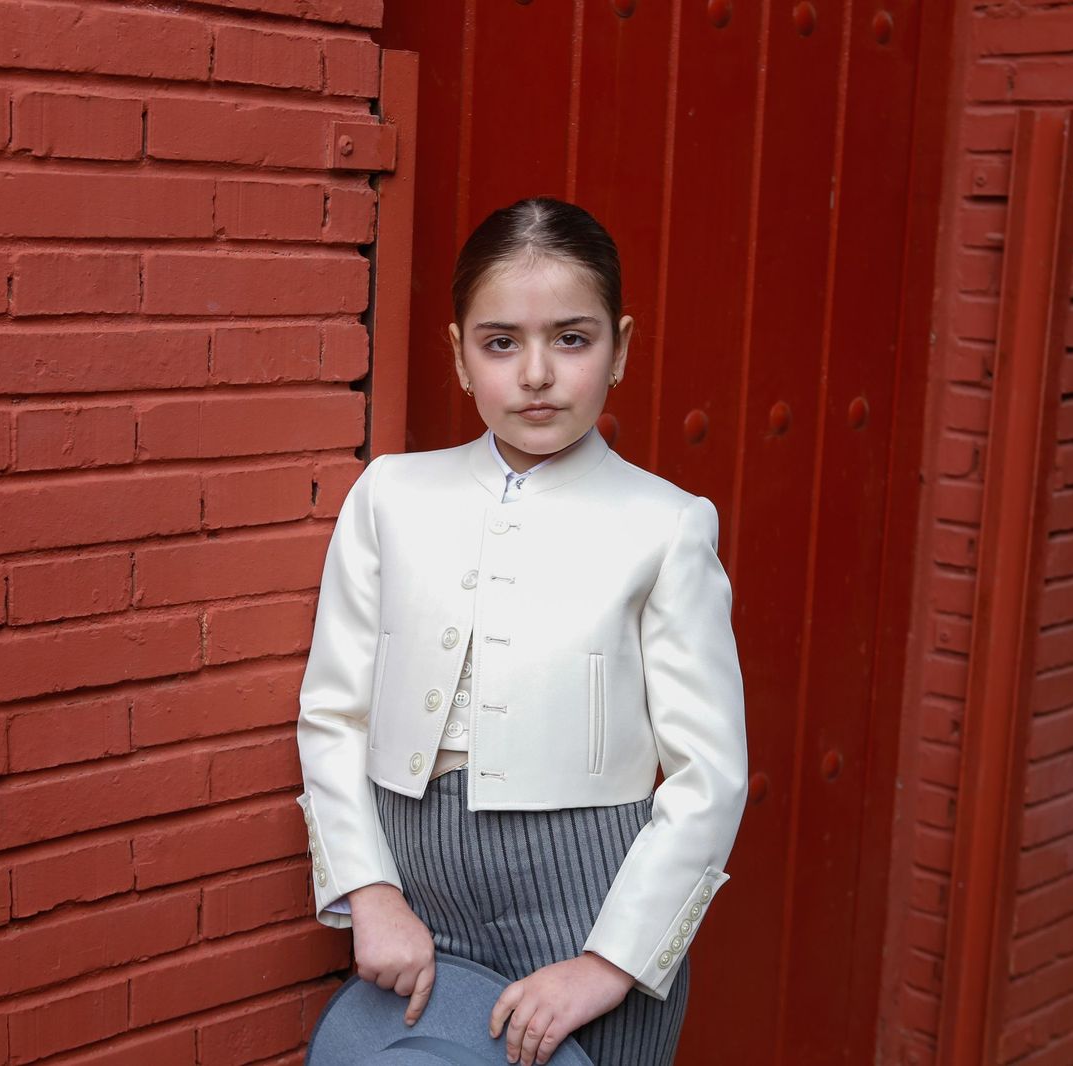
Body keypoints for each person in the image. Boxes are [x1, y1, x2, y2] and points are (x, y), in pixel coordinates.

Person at [295, 196, 748, 1066]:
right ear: (458, 357)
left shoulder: (667, 523)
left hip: (589, 896)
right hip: (414, 883)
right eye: (501, 342)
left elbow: (710, 774)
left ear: (621, 348)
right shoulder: (390, 495)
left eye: (571, 340)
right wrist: (370, 890)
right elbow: (333, 712)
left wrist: (606, 964)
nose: (536, 373)